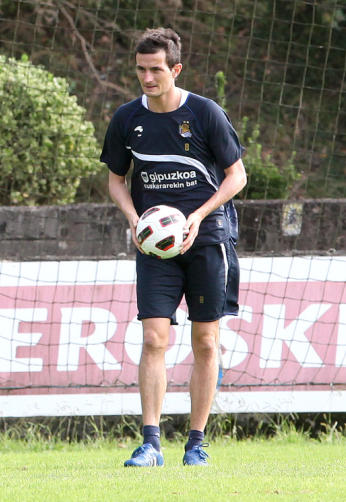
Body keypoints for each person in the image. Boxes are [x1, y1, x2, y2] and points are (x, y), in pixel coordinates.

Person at [100, 28, 247, 467]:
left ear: (175, 69)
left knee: (205, 341)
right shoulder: (127, 119)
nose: (147, 77)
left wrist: (198, 216)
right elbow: (115, 179)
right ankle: (150, 443)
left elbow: (236, 175)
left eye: (156, 69)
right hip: (155, 248)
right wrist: (133, 218)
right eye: (141, 69)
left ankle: (196, 443)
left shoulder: (205, 113)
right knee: (153, 337)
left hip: (207, 241)